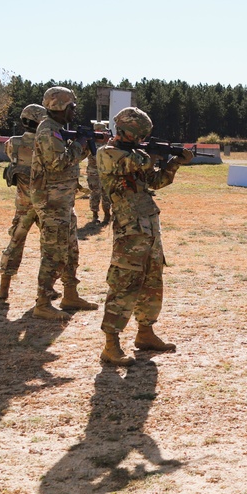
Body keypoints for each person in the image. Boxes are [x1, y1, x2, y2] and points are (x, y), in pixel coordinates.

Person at [97, 107, 193, 367]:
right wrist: (154, 153)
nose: (141, 140)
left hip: (149, 227)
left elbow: (156, 181)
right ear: (127, 132)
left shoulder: (137, 153)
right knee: (124, 282)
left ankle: (145, 332)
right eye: (139, 136)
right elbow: (137, 162)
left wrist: (175, 162)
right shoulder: (107, 153)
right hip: (129, 230)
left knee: (152, 281)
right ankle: (111, 343)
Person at [29, 86, 99, 321]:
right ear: (60, 106)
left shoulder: (58, 129)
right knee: (54, 252)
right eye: (71, 106)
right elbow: (59, 163)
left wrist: (86, 143)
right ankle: (43, 302)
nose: (74, 111)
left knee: (70, 250)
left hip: (63, 201)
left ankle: (70, 295)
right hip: (51, 202)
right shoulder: (48, 131)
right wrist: (81, 143)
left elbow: (68, 159)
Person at [0, 104, 45, 304]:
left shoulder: (12, 143)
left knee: (15, 243)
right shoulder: (46, 143)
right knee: (51, 247)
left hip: (23, 203)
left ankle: (3, 288)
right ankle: (46, 290)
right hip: (44, 203)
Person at [86, 121, 111, 224]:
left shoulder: (108, 143)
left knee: (106, 194)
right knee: (95, 193)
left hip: (106, 172)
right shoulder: (90, 142)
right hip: (93, 172)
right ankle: (95, 215)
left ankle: (107, 214)